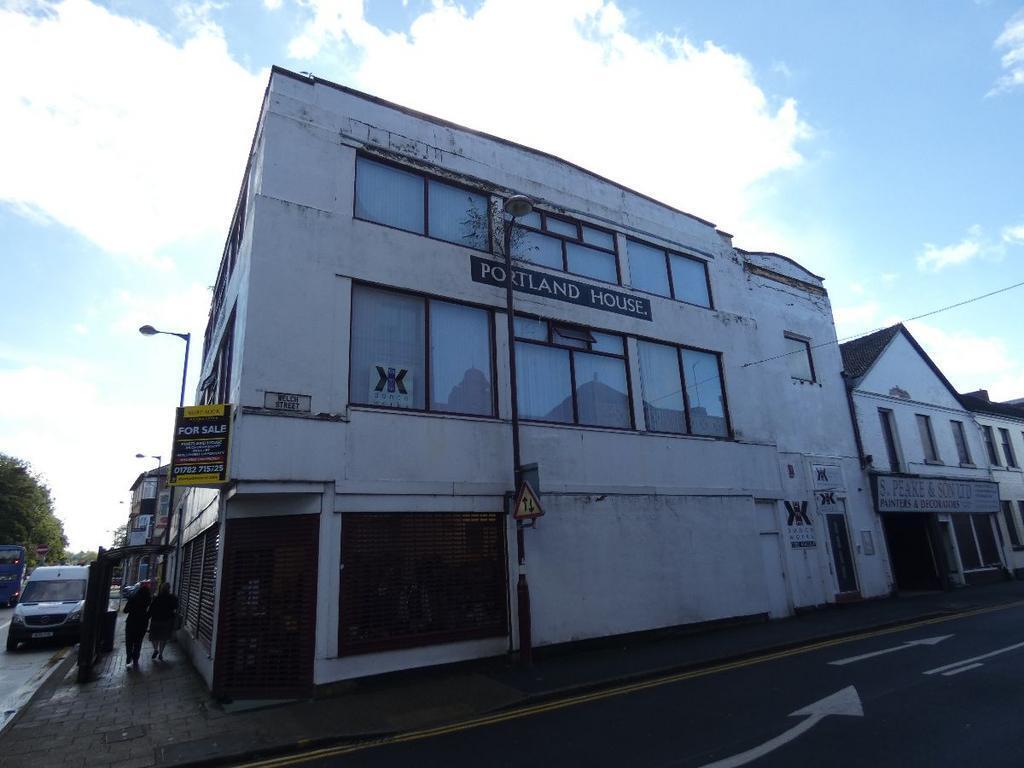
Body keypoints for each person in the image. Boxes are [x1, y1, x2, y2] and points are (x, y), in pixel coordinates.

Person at [123, 583, 151, 667]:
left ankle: (128, 657)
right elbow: (149, 612)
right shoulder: (148, 600)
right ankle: (135, 658)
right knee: (138, 642)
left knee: (129, 641)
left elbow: (125, 610)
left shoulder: (133, 598)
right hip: (142, 623)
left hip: (131, 622)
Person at [148, 582, 178, 661]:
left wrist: (148, 617)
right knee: (163, 638)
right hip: (166, 620)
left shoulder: (156, 598)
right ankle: (161, 653)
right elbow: (175, 607)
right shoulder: (171, 597)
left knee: (154, 637)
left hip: (155, 620)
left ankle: (155, 649)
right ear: (169, 589)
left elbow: (151, 609)